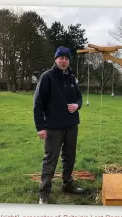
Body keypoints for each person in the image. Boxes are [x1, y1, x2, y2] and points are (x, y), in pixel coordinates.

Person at [33, 46, 85, 205]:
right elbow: (38, 104)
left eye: (66, 58)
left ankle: (67, 185)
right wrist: (40, 127)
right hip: (53, 127)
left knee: (69, 157)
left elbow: (79, 98)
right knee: (50, 159)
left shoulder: (72, 78)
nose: (64, 61)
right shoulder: (47, 77)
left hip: (71, 125)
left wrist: (77, 105)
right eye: (61, 58)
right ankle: (44, 193)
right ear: (56, 59)